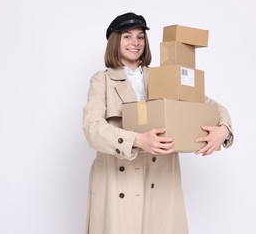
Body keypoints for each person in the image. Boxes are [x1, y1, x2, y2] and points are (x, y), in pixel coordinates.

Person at [82, 12, 234, 234]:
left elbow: (210, 106)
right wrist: (137, 140)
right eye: (127, 36)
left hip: (160, 177)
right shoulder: (102, 80)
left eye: (140, 37)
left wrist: (224, 129)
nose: (135, 43)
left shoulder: (164, 76)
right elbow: (92, 128)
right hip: (118, 182)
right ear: (115, 41)